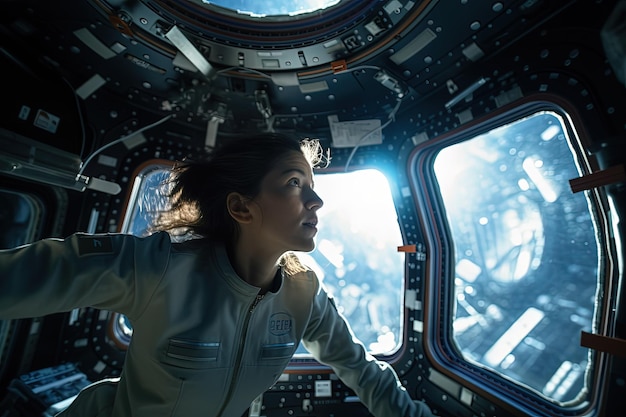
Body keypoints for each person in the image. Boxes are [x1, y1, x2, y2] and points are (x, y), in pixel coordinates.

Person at [0, 132, 435, 417]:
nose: (316, 201)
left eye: (312, 184)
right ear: (241, 208)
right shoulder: (159, 266)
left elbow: (362, 369)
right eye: (294, 183)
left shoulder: (305, 293)